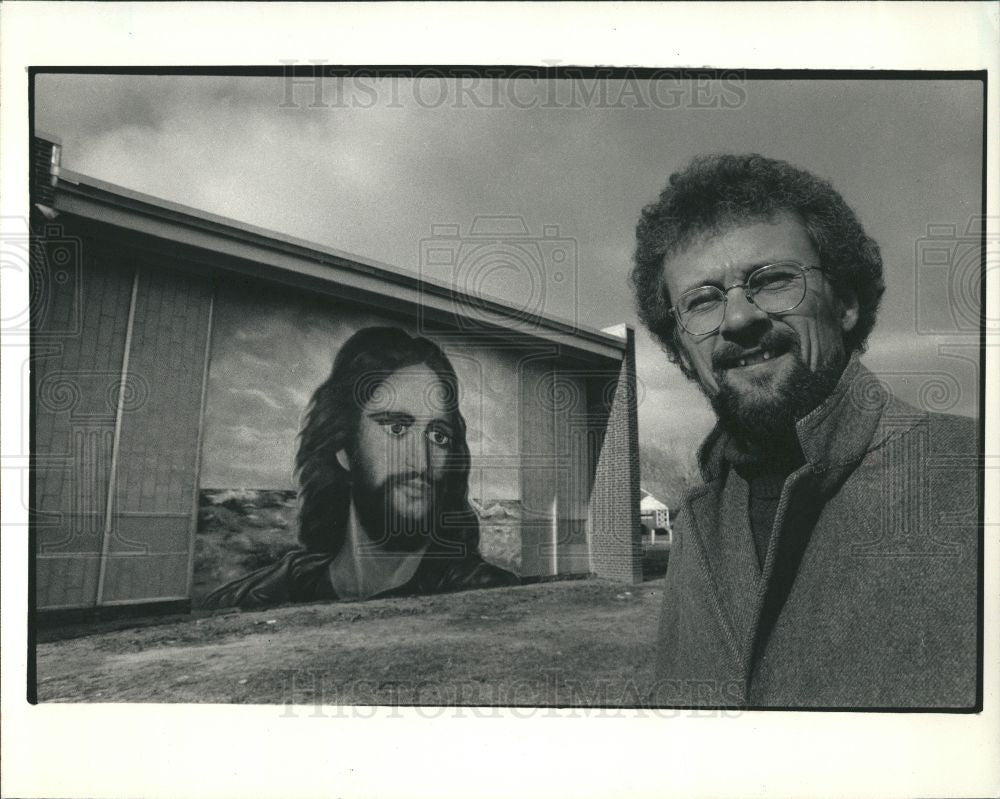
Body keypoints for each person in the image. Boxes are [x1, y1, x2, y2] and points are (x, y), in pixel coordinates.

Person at [630, 154, 979, 708]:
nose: (740, 319)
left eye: (772, 281)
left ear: (844, 303)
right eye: (702, 300)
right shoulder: (698, 522)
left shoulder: (975, 481)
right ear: (679, 351)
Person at [204, 326, 519, 609]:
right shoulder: (257, 598)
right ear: (343, 448)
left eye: (438, 436)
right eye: (396, 429)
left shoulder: (488, 598)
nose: (422, 462)